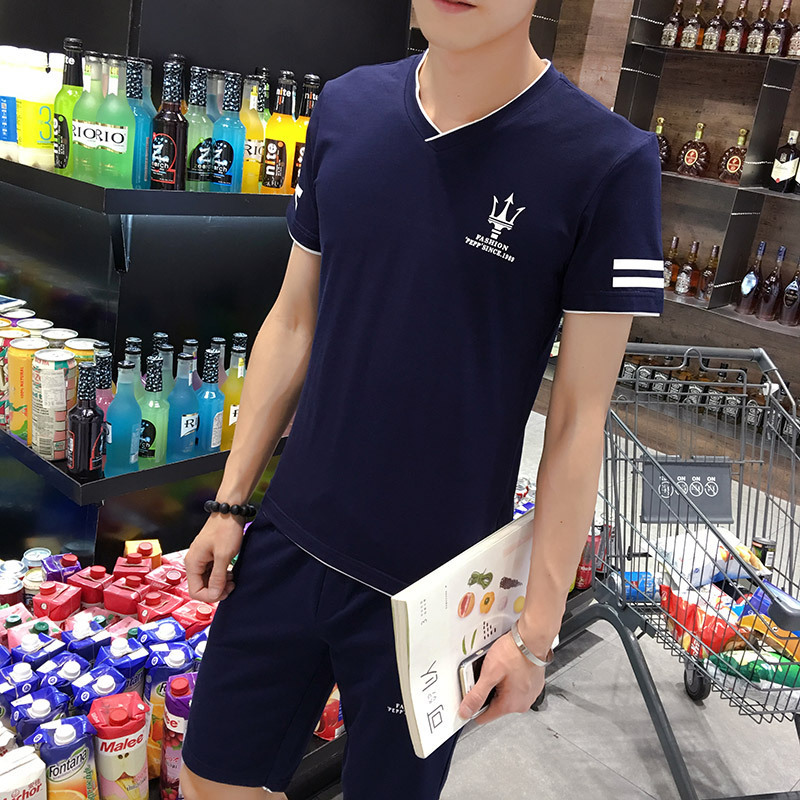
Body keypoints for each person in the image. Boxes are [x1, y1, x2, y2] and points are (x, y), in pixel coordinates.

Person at [180, 0, 663, 797]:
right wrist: (230, 504)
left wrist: (537, 633)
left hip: (438, 590)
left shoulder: (607, 162)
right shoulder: (348, 107)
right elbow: (293, 321)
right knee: (209, 779)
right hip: (290, 539)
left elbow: (579, 421)